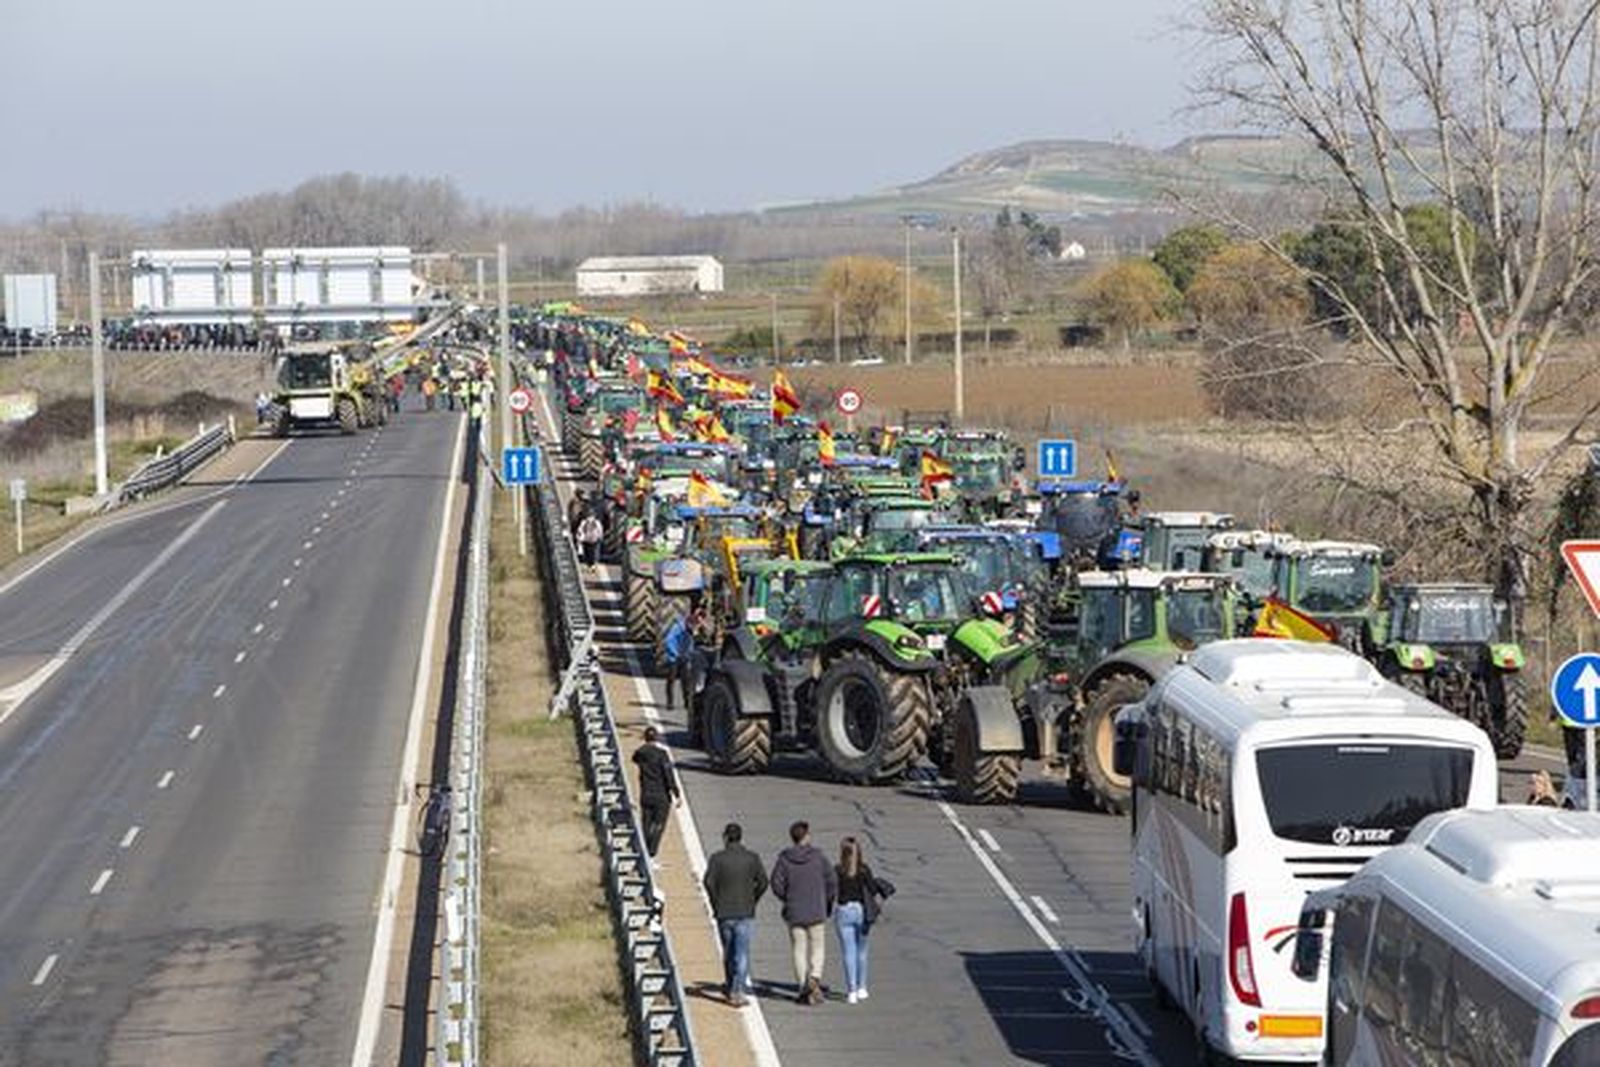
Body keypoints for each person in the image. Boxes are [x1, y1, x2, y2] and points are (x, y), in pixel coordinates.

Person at [770, 820, 837, 1005]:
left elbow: (776, 884)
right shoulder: (818, 857)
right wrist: (825, 900)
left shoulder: (784, 859)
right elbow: (832, 881)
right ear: (806, 836)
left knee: (798, 949)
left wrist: (787, 898)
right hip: (816, 909)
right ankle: (814, 977)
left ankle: (802, 985)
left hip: (794, 911)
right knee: (818, 947)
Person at [703, 822, 768, 1007]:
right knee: (742, 953)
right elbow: (763, 882)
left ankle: (731, 984)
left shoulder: (717, 858)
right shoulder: (752, 858)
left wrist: (716, 901)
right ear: (740, 837)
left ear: (726, 837)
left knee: (729, 951)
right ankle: (737, 990)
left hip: (724, 912)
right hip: (745, 911)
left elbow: (708, 882)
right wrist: (752, 899)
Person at [834, 835, 895, 1004]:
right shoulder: (864, 870)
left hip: (843, 910)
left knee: (848, 952)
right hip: (861, 910)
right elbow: (872, 889)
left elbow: (831, 890)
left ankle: (851, 991)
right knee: (862, 951)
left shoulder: (838, 870)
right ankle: (862, 987)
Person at [632, 726, 679, 862]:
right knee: (659, 825)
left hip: (646, 794)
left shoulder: (640, 753)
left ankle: (645, 850)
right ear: (656, 738)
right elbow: (668, 775)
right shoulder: (662, 754)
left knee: (646, 824)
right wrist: (676, 793)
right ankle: (651, 852)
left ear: (645, 738)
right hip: (661, 796)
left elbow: (634, 759)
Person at [661, 607, 695, 711]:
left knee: (686, 681)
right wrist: (675, 653)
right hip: (674, 658)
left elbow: (690, 643)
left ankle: (687, 703)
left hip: (684, 657)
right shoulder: (677, 628)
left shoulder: (690, 631)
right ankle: (670, 703)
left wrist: (689, 655)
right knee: (671, 680)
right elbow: (668, 641)